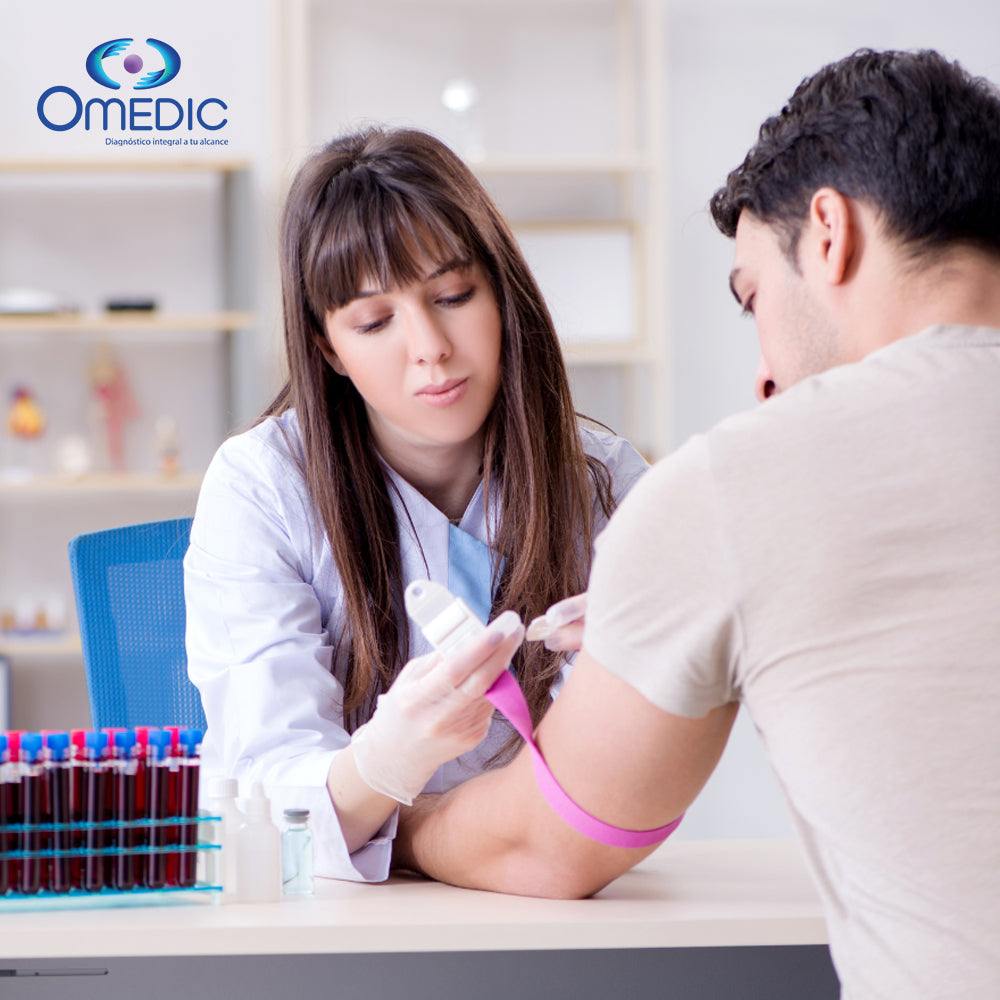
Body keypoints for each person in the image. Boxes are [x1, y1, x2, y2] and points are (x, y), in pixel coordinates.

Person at [393, 49, 1000, 999]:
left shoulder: (740, 480)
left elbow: (543, 847)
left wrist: (400, 813)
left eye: (752, 297)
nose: (764, 375)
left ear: (830, 233)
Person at [183, 127, 648, 883]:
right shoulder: (262, 485)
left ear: (503, 293)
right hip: (335, 920)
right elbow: (273, 799)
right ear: (328, 347)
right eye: (374, 321)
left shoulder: (600, 481)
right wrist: (386, 760)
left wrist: (633, 669)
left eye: (454, 295)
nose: (429, 346)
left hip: (545, 901)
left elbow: (611, 792)